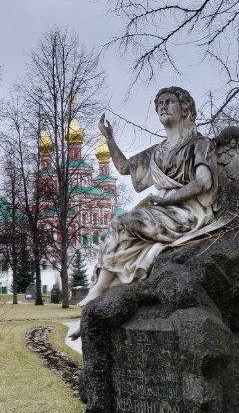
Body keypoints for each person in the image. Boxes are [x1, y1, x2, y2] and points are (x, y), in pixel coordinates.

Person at [80, 87, 218, 308]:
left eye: (169, 101)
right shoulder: (158, 151)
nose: (162, 106)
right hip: (162, 209)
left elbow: (204, 182)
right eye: (159, 104)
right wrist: (109, 138)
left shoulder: (200, 144)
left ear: (185, 109)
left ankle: (100, 288)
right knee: (116, 228)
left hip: (188, 212)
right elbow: (125, 167)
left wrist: (168, 200)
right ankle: (104, 285)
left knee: (121, 223)